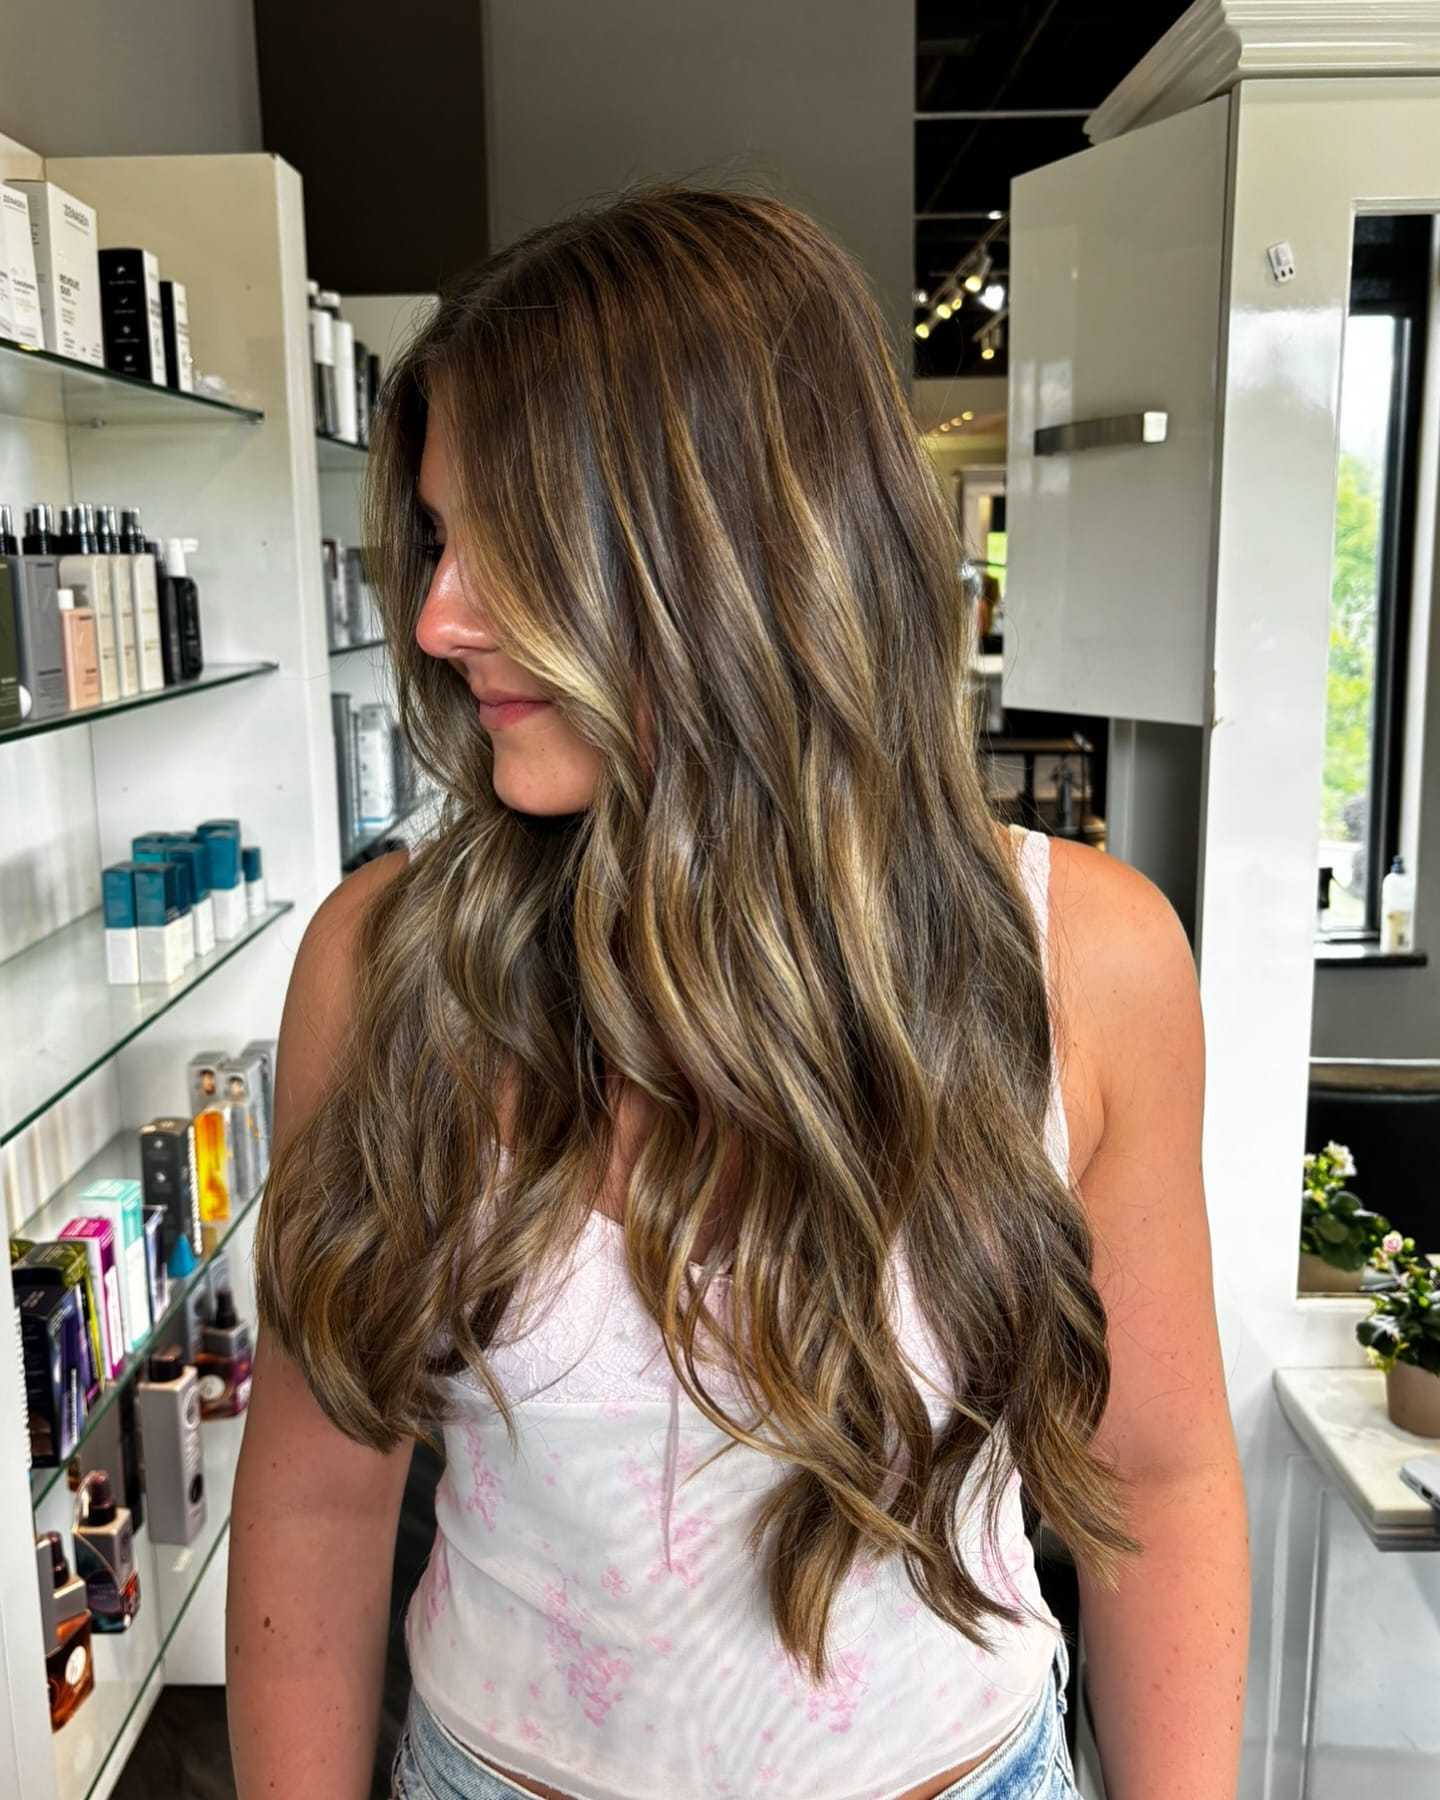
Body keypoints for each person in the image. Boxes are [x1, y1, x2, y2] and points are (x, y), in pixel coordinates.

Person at [226, 185, 1249, 1800]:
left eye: (515, 545)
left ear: (734, 557)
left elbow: (1165, 1475)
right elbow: (316, 1496)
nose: (436, 616)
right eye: (437, 535)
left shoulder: (1083, 960)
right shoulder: (390, 967)